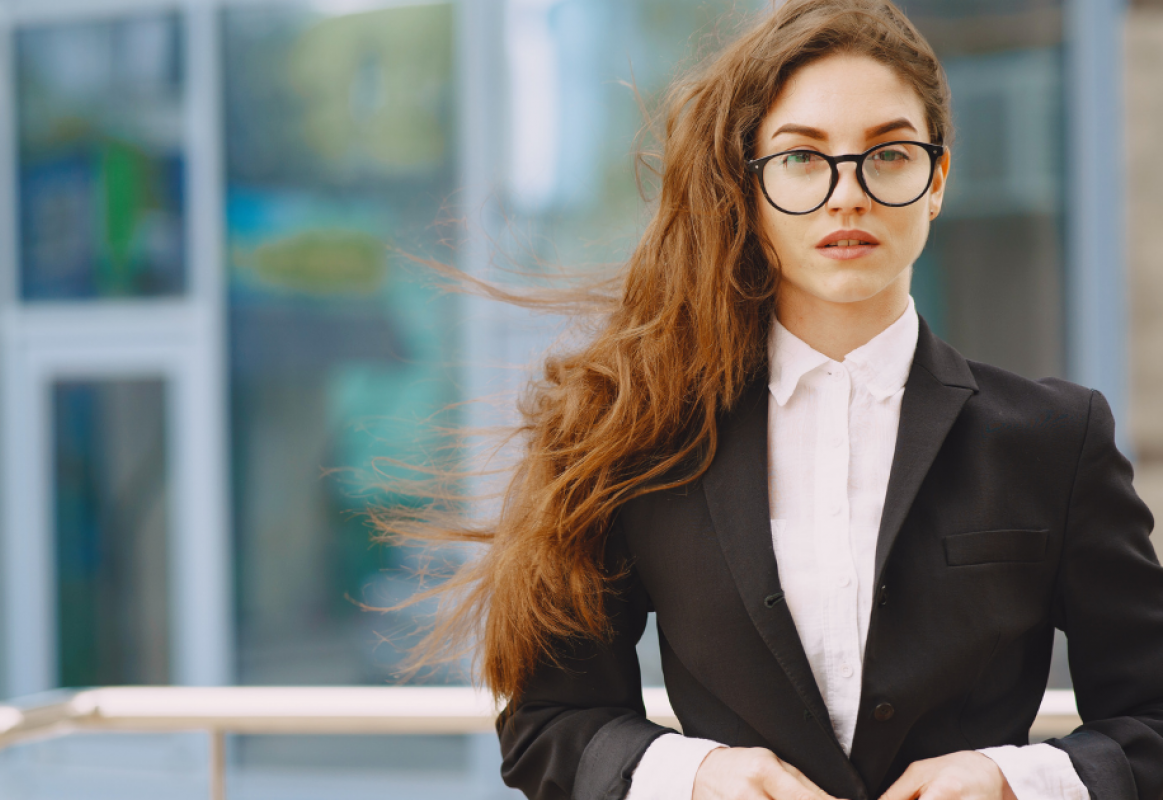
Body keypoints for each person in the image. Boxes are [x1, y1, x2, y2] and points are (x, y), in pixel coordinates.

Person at [388, 1, 1163, 798]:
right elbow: (548, 725)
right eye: (802, 158)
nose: (847, 195)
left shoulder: (1057, 439)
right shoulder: (639, 430)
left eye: (888, 153)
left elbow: (1154, 722)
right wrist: (697, 777)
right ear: (748, 188)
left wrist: (1013, 779)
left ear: (937, 178)